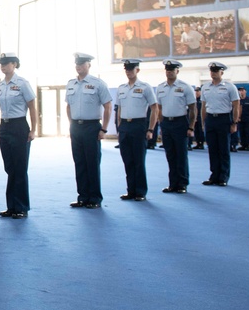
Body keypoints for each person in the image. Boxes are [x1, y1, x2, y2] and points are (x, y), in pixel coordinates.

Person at [64, 52, 112, 208]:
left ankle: (95, 198)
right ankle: (83, 196)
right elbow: (68, 106)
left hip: (92, 127)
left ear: (89, 65)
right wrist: (71, 124)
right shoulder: (71, 84)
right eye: (77, 64)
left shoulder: (98, 83)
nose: (79, 66)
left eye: (82, 64)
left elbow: (108, 106)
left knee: (92, 163)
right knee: (79, 162)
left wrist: (104, 129)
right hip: (76, 128)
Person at [0, 52, 37, 219]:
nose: (3, 66)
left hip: (19, 125)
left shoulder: (22, 83)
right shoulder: (1, 85)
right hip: (4, 126)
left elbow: (32, 107)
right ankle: (11, 206)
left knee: (20, 168)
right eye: (1, 63)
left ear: (15, 64)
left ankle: (21, 207)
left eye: (6, 63)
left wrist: (33, 130)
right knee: (10, 168)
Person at [115, 60, 159, 201]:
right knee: (127, 160)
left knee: (139, 160)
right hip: (125, 128)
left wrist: (150, 128)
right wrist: (119, 127)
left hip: (139, 125)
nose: (128, 71)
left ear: (137, 70)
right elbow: (119, 109)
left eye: (131, 69)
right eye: (126, 69)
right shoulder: (121, 88)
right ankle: (131, 191)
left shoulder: (145, 87)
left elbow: (154, 108)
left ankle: (140, 191)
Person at [156, 60, 197, 194]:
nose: (169, 72)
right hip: (166, 123)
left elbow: (193, 109)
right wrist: (161, 125)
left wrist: (191, 127)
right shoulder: (160, 87)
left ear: (177, 71)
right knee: (170, 155)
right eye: (167, 70)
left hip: (180, 123)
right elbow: (159, 108)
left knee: (181, 154)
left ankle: (182, 184)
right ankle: (173, 183)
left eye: (172, 70)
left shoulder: (185, 87)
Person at [200, 61, 239, 186]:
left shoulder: (229, 86)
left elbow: (236, 105)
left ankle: (223, 176)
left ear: (222, 72)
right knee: (212, 149)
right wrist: (203, 122)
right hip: (210, 119)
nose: (213, 73)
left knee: (223, 149)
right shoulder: (205, 87)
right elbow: (203, 106)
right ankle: (214, 175)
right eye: (212, 71)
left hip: (224, 119)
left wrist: (234, 123)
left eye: (216, 71)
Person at [235, 87, 249, 151]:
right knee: (241, 132)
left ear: (245, 91)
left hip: (248, 119)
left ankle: (247, 145)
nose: (241, 92)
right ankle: (243, 145)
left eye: (242, 90)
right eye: (240, 91)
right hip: (240, 119)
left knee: (247, 132)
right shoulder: (238, 100)